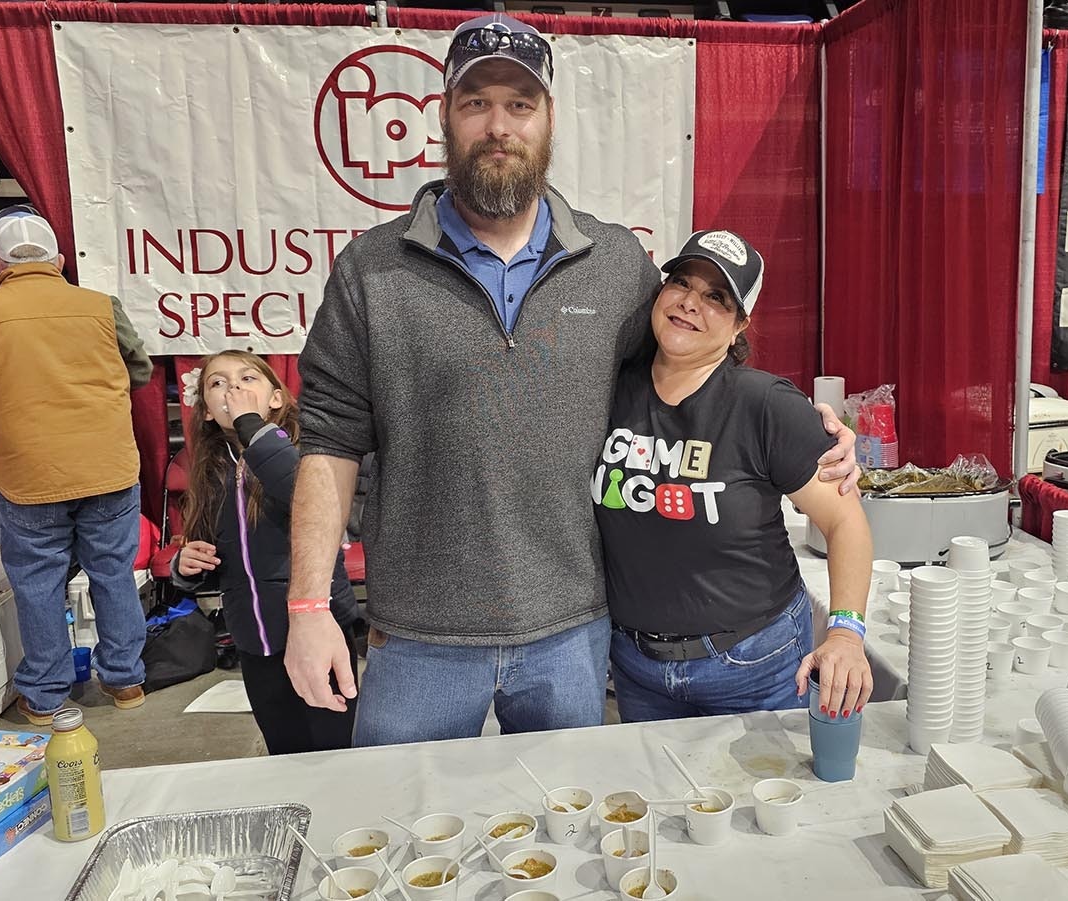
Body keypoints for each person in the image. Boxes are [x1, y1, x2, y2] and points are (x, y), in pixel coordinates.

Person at [284, 13, 856, 746]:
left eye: (519, 105)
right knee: (401, 830)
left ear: (549, 119)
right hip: (420, 637)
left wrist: (807, 426)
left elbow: (689, 360)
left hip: (570, 636)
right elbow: (327, 443)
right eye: (476, 103)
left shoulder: (615, 264)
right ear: (443, 118)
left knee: (566, 841)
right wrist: (308, 607)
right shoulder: (373, 271)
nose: (498, 125)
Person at [597, 230, 874, 721]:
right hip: (637, 666)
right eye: (680, 282)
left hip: (753, 664)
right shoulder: (608, 389)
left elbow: (845, 522)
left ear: (741, 324)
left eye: (715, 297)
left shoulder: (766, 406)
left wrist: (846, 632)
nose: (689, 303)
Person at [0, 206, 152, 725]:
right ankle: (125, 680)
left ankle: (46, 696)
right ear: (60, 261)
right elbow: (138, 371)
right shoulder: (99, 306)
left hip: (29, 473)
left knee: (37, 582)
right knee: (112, 572)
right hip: (108, 467)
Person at [169, 351, 364, 754]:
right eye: (218, 383)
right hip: (253, 640)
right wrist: (186, 567)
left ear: (276, 398)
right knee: (284, 748)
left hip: (315, 631)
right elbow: (210, 558)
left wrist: (249, 427)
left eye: (247, 379)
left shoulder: (302, 450)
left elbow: (306, 495)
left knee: (334, 745)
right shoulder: (210, 470)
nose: (234, 389)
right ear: (206, 410)